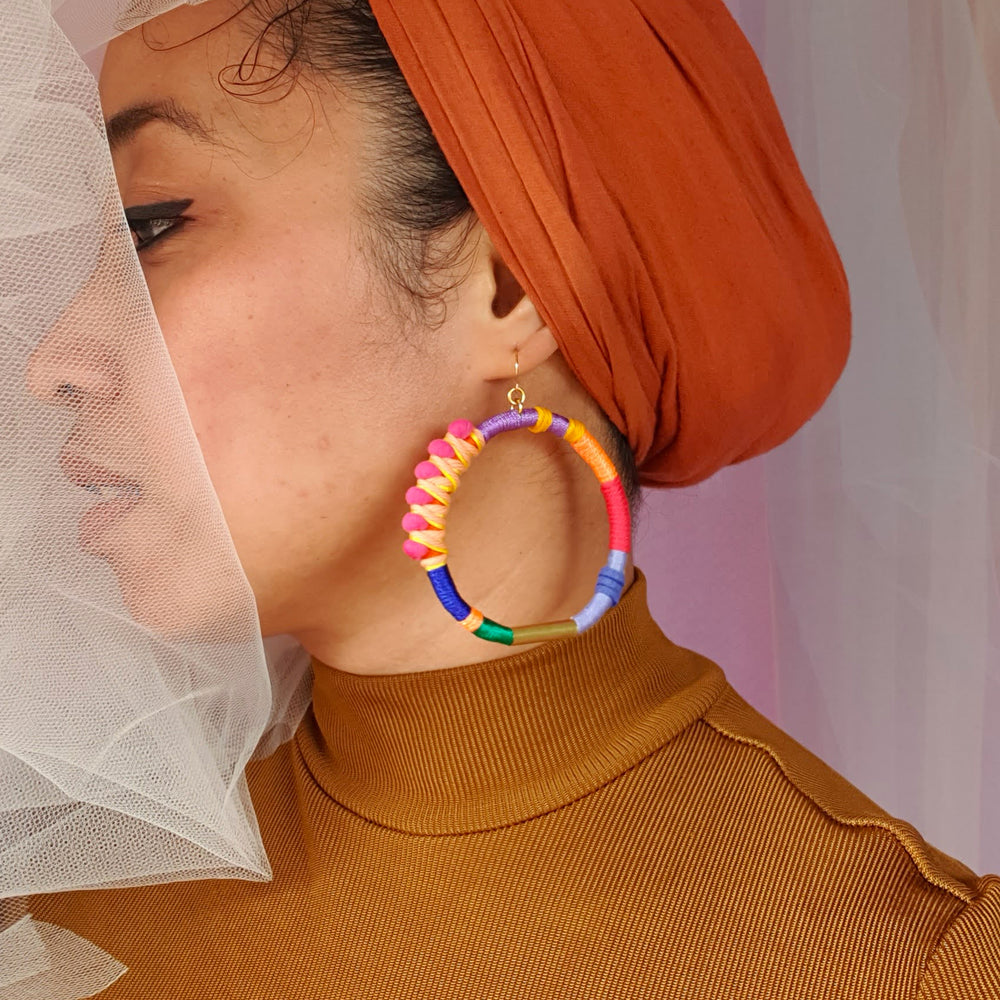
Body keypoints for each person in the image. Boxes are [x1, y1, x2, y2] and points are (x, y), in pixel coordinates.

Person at [11, 0, 1000, 996]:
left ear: (511, 286)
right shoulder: (50, 906)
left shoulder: (907, 965)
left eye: (148, 228)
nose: (51, 362)